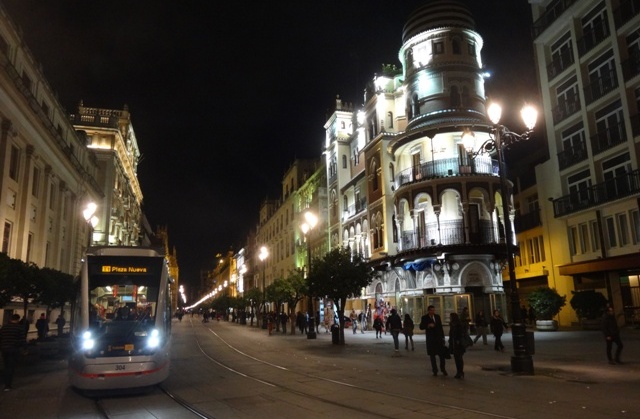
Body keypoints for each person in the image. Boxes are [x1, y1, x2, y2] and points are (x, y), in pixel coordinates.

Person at [0, 314, 27, 391]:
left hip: (4, 349)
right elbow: (22, 339)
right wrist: (25, 348)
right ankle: (8, 385)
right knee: (11, 367)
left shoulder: (4, 327)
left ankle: (5, 383)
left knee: (6, 366)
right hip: (13, 349)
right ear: (18, 319)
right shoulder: (19, 328)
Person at [419, 305, 447, 376]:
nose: (433, 312)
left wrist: (443, 337)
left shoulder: (437, 317)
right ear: (428, 311)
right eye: (431, 310)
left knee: (441, 355)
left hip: (438, 338)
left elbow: (440, 327)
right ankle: (435, 370)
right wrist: (428, 326)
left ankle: (443, 369)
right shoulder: (424, 317)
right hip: (431, 339)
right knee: (432, 356)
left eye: (434, 310)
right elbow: (421, 327)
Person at [449, 312, 466, 379]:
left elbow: (460, 333)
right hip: (454, 343)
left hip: (458, 343)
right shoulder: (452, 324)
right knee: (457, 358)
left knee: (459, 358)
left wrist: (458, 340)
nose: (450, 318)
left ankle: (460, 372)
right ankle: (459, 372)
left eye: (450, 317)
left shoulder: (458, 324)